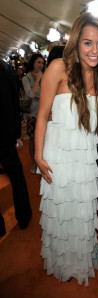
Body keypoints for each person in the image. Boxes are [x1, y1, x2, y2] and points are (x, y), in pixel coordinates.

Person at [34, 12, 98, 286]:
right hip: (58, 157)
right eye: (88, 43)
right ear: (77, 42)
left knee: (82, 213)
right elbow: (42, 116)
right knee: (61, 210)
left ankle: (78, 262)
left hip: (85, 160)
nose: (94, 50)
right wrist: (37, 156)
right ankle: (60, 261)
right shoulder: (58, 67)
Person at [0, 59, 32, 236]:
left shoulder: (6, 68)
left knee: (17, 176)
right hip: (6, 132)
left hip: (6, 132)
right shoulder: (6, 68)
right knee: (17, 176)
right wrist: (16, 132)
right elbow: (15, 101)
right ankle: (24, 217)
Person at [22, 53, 46, 174]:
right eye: (38, 62)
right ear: (33, 63)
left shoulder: (46, 76)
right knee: (33, 140)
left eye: (42, 63)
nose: (41, 65)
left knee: (46, 139)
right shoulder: (26, 78)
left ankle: (43, 161)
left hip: (46, 113)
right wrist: (37, 79)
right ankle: (33, 162)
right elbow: (31, 94)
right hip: (33, 113)